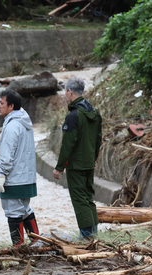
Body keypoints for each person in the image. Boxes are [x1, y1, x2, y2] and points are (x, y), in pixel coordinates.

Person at [0, 91, 39, 247]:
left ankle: (18, 246)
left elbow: (9, 154)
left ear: (11, 106)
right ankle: (36, 241)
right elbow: (19, 148)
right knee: (24, 208)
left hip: (14, 177)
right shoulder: (23, 121)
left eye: (2, 103)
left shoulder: (12, 126)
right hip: (26, 176)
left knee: (13, 211)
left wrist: (2, 175)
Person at [52, 77, 102, 239]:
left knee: (79, 199)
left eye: (65, 91)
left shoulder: (74, 116)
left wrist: (59, 167)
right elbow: (98, 139)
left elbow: (68, 144)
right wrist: (94, 159)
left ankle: (86, 236)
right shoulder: (94, 113)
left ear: (70, 92)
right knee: (88, 198)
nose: (65, 94)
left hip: (76, 165)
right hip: (88, 163)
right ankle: (93, 233)